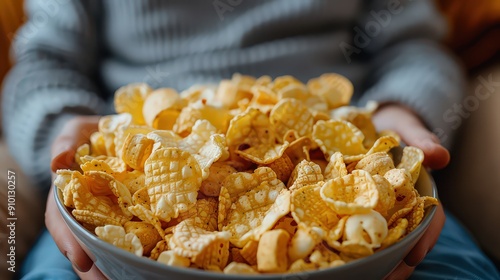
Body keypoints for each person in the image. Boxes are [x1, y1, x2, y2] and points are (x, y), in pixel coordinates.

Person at [2, 0, 499, 279]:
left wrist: (401, 110)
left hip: (340, 142)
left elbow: (413, 46)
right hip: (135, 155)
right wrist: (63, 131)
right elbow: (44, 61)